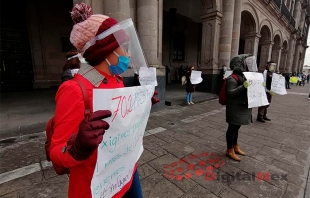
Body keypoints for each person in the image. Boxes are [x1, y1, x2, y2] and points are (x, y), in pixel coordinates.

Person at [50, 3, 159, 198]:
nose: (127, 54)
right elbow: (57, 152)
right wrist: (78, 147)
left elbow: (120, 123)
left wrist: (142, 105)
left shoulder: (116, 80)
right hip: (98, 187)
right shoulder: (73, 89)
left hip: (127, 171)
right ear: (105, 49)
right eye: (123, 48)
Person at [225, 54, 252, 161]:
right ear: (239, 65)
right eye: (245, 64)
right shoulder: (232, 78)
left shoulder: (244, 76)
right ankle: (229, 150)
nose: (247, 66)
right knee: (232, 129)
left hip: (242, 107)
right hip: (234, 108)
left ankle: (235, 146)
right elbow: (230, 93)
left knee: (236, 128)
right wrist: (243, 87)